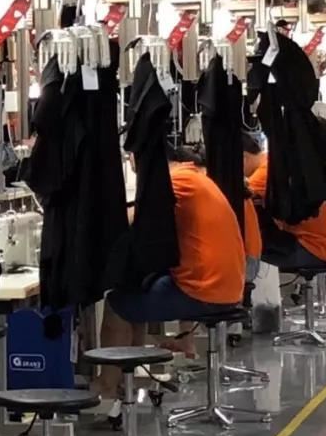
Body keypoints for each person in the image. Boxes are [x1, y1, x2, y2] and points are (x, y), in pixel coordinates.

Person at [95, 146, 245, 398]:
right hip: (225, 285)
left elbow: (131, 219)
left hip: (206, 291)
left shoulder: (176, 181)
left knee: (117, 305)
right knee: (135, 289)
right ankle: (127, 376)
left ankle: (107, 385)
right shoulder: (194, 178)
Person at [243, 134, 326, 269]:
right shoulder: (273, 162)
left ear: (244, 158)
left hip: (309, 249)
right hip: (319, 246)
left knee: (242, 241)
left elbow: (235, 199)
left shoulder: (263, 173)